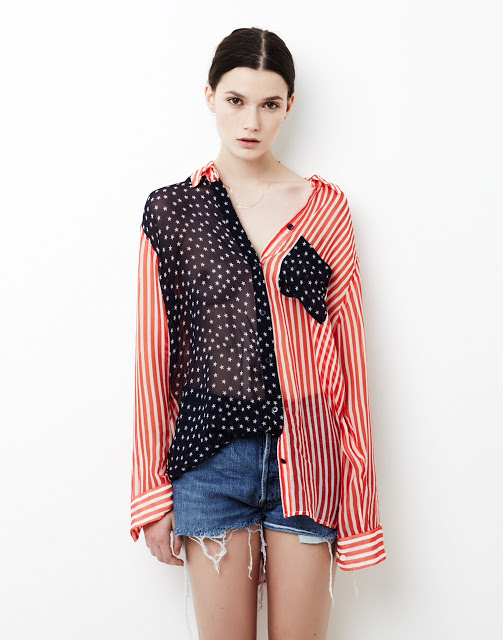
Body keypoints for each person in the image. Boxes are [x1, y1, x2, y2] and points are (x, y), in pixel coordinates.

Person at [130, 26, 386, 640]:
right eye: (236, 100)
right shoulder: (172, 210)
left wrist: (359, 501)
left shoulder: (325, 208)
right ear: (210, 97)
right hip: (209, 459)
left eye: (269, 104)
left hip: (309, 453)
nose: (251, 121)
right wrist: (151, 494)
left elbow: (350, 360)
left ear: (289, 106)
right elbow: (153, 358)